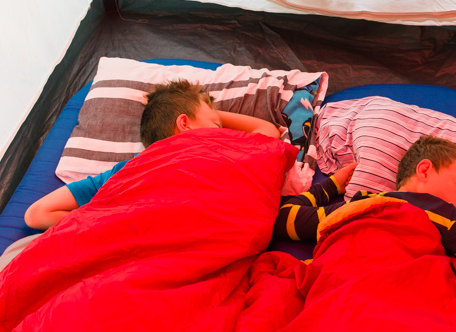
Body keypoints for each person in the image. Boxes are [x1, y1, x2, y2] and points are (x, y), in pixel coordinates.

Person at [24, 79, 283, 230]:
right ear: (183, 123)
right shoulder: (133, 170)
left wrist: (108, 225)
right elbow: (267, 131)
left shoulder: (124, 171)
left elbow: (38, 213)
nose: (221, 131)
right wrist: (206, 112)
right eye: (217, 127)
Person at [274, 135, 456, 285]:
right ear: (424, 170)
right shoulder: (442, 215)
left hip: (338, 288)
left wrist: (329, 187)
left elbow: (283, 218)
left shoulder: (356, 207)